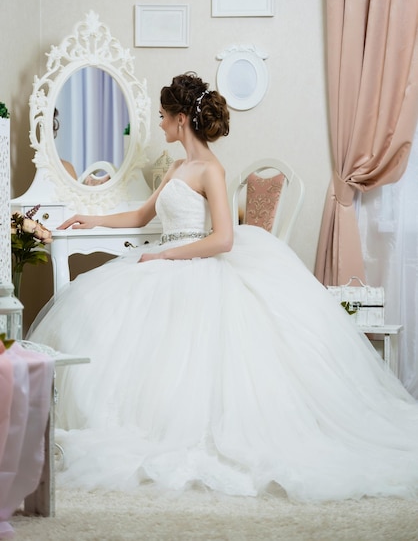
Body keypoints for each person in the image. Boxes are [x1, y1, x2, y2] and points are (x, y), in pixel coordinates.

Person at [29, 73, 418, 501]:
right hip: (167, 261)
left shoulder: (211, 169)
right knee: (101, 315)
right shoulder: (177, 166)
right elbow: (142, 217)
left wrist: (163, 256)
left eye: (162, 117)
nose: (158, 125)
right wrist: (93, 218)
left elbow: (224, 239)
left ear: (181, 120)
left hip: (194, 263)